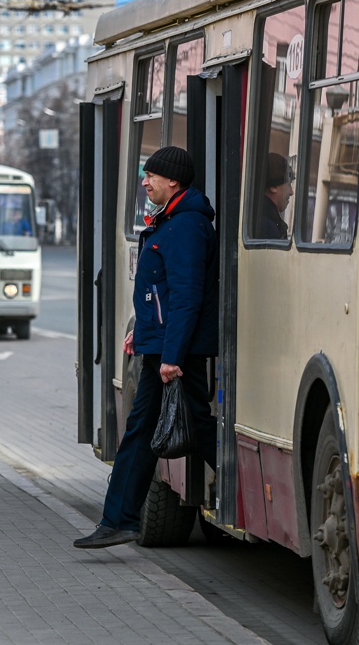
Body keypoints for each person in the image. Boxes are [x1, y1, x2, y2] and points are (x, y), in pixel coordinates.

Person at [74, 146, 219, 550]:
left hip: (175, 351)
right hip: (163, 344)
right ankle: (118, 519)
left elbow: (188, 297)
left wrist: (171, 356)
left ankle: (118, 519)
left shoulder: (187, 225)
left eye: (150, 175)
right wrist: (143, 332)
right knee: (178, 425)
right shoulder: (172, 220)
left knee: (150, 429)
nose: (145, 182)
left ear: (172, 180)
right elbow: (162, 293)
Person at [255, 152, 293, 239]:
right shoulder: (267, 227)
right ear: (273, 186)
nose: (291, 192)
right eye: (288, 184)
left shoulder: (261, 219)